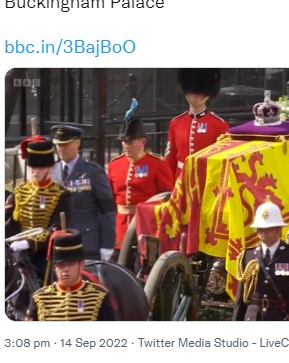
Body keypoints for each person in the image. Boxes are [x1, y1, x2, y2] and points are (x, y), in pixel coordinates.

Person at [232, 197, 289, 321]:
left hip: (281, 317)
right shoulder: (247, 256)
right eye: (260, 228)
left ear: (279, 229)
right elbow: (241, 300)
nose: (264, 232)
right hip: (252, 318)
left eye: (269, 228)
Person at [107, 103, 173, 252]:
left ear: (142, 142)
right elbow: (110, 199)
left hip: (146, 226)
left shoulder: (157, 164)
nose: (126, 146)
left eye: (130, 142)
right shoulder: (114, 165)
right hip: (121, 227)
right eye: (124, 142)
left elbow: (166, 198)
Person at [5, 136, 72, 280]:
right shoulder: (19, 192)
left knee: (49, 281)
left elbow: (56, 229)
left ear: (51, 168)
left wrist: (29, 243)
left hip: (44, 253)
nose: (36, 172)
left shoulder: (62, 194)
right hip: (15, 249)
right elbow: (8, 221)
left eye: (41, 168)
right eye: (33, 167)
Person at [51, 124, 116, 261]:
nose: (61, 149)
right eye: (58, 145)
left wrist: (107, 244)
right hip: (59, 247)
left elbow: (108, 210)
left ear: (77, 143)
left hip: (87, 245)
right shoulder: (52, 172)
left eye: (66, 144)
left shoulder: (92, 171)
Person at [26, 229, 116, 321]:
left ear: (81, 265)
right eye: (61, 265)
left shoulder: (99, 296)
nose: (65, 269)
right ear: (55, 267)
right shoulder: (39, 298)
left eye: (71, 264)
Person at [165, 68, 229, 181]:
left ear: (207, 94)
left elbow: (222, 158)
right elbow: (170, 158)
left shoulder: (219, 124)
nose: (194, 96)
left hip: (206, 179)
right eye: (191, 92)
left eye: (199, 92)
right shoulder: (175, 123)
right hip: (180, 178)